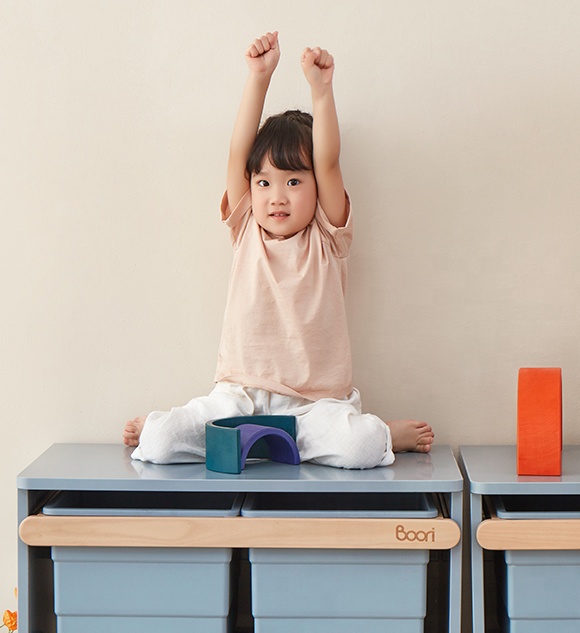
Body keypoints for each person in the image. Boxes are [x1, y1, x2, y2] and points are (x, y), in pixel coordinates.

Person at [125, 30, 433, 467]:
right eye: (264, 183)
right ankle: (183, 429)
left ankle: (380, 433)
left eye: (293, 182)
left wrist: (321, 91)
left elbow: (327, 161)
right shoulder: (246, 226)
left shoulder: (328, 236)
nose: (277, 197)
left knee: (360, 446)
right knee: (157, 442)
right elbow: (237, 155)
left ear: (315, 188)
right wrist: (258, 78)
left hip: (314, 405)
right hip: (238, 399)